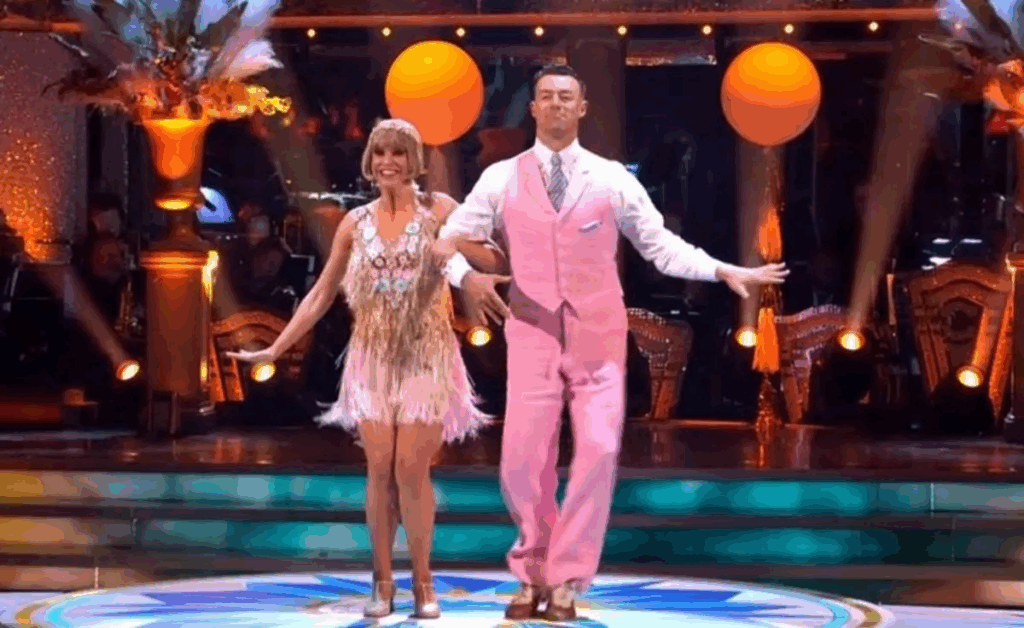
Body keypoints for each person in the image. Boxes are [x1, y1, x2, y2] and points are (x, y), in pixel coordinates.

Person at [434, 65, 789, 621]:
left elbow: (660, 245)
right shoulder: (501, 178)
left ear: (581, 108)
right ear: (533, 109)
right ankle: (531, 571)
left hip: (597, 333)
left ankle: (567, 578)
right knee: (522, 461)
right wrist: (466, 279)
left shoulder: (612, 179)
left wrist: (721, 270)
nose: (555, 105)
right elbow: (446, 240)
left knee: (598, 452)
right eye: (546, 96)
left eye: (565, 97)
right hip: (531, 330)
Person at [227, 119, 496, 619]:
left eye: (399, 153)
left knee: (410, 470)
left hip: (426, 355)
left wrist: (459, 247)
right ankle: (382, 580)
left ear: (414, 160)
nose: (388, 162)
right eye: (380, 153)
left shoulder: (441, 209)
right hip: (371, 357)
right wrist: (275, 349)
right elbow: (321, 294)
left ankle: (423, 581)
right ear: (370, 161)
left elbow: (490, 253)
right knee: (379, 470)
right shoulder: (354, 223)